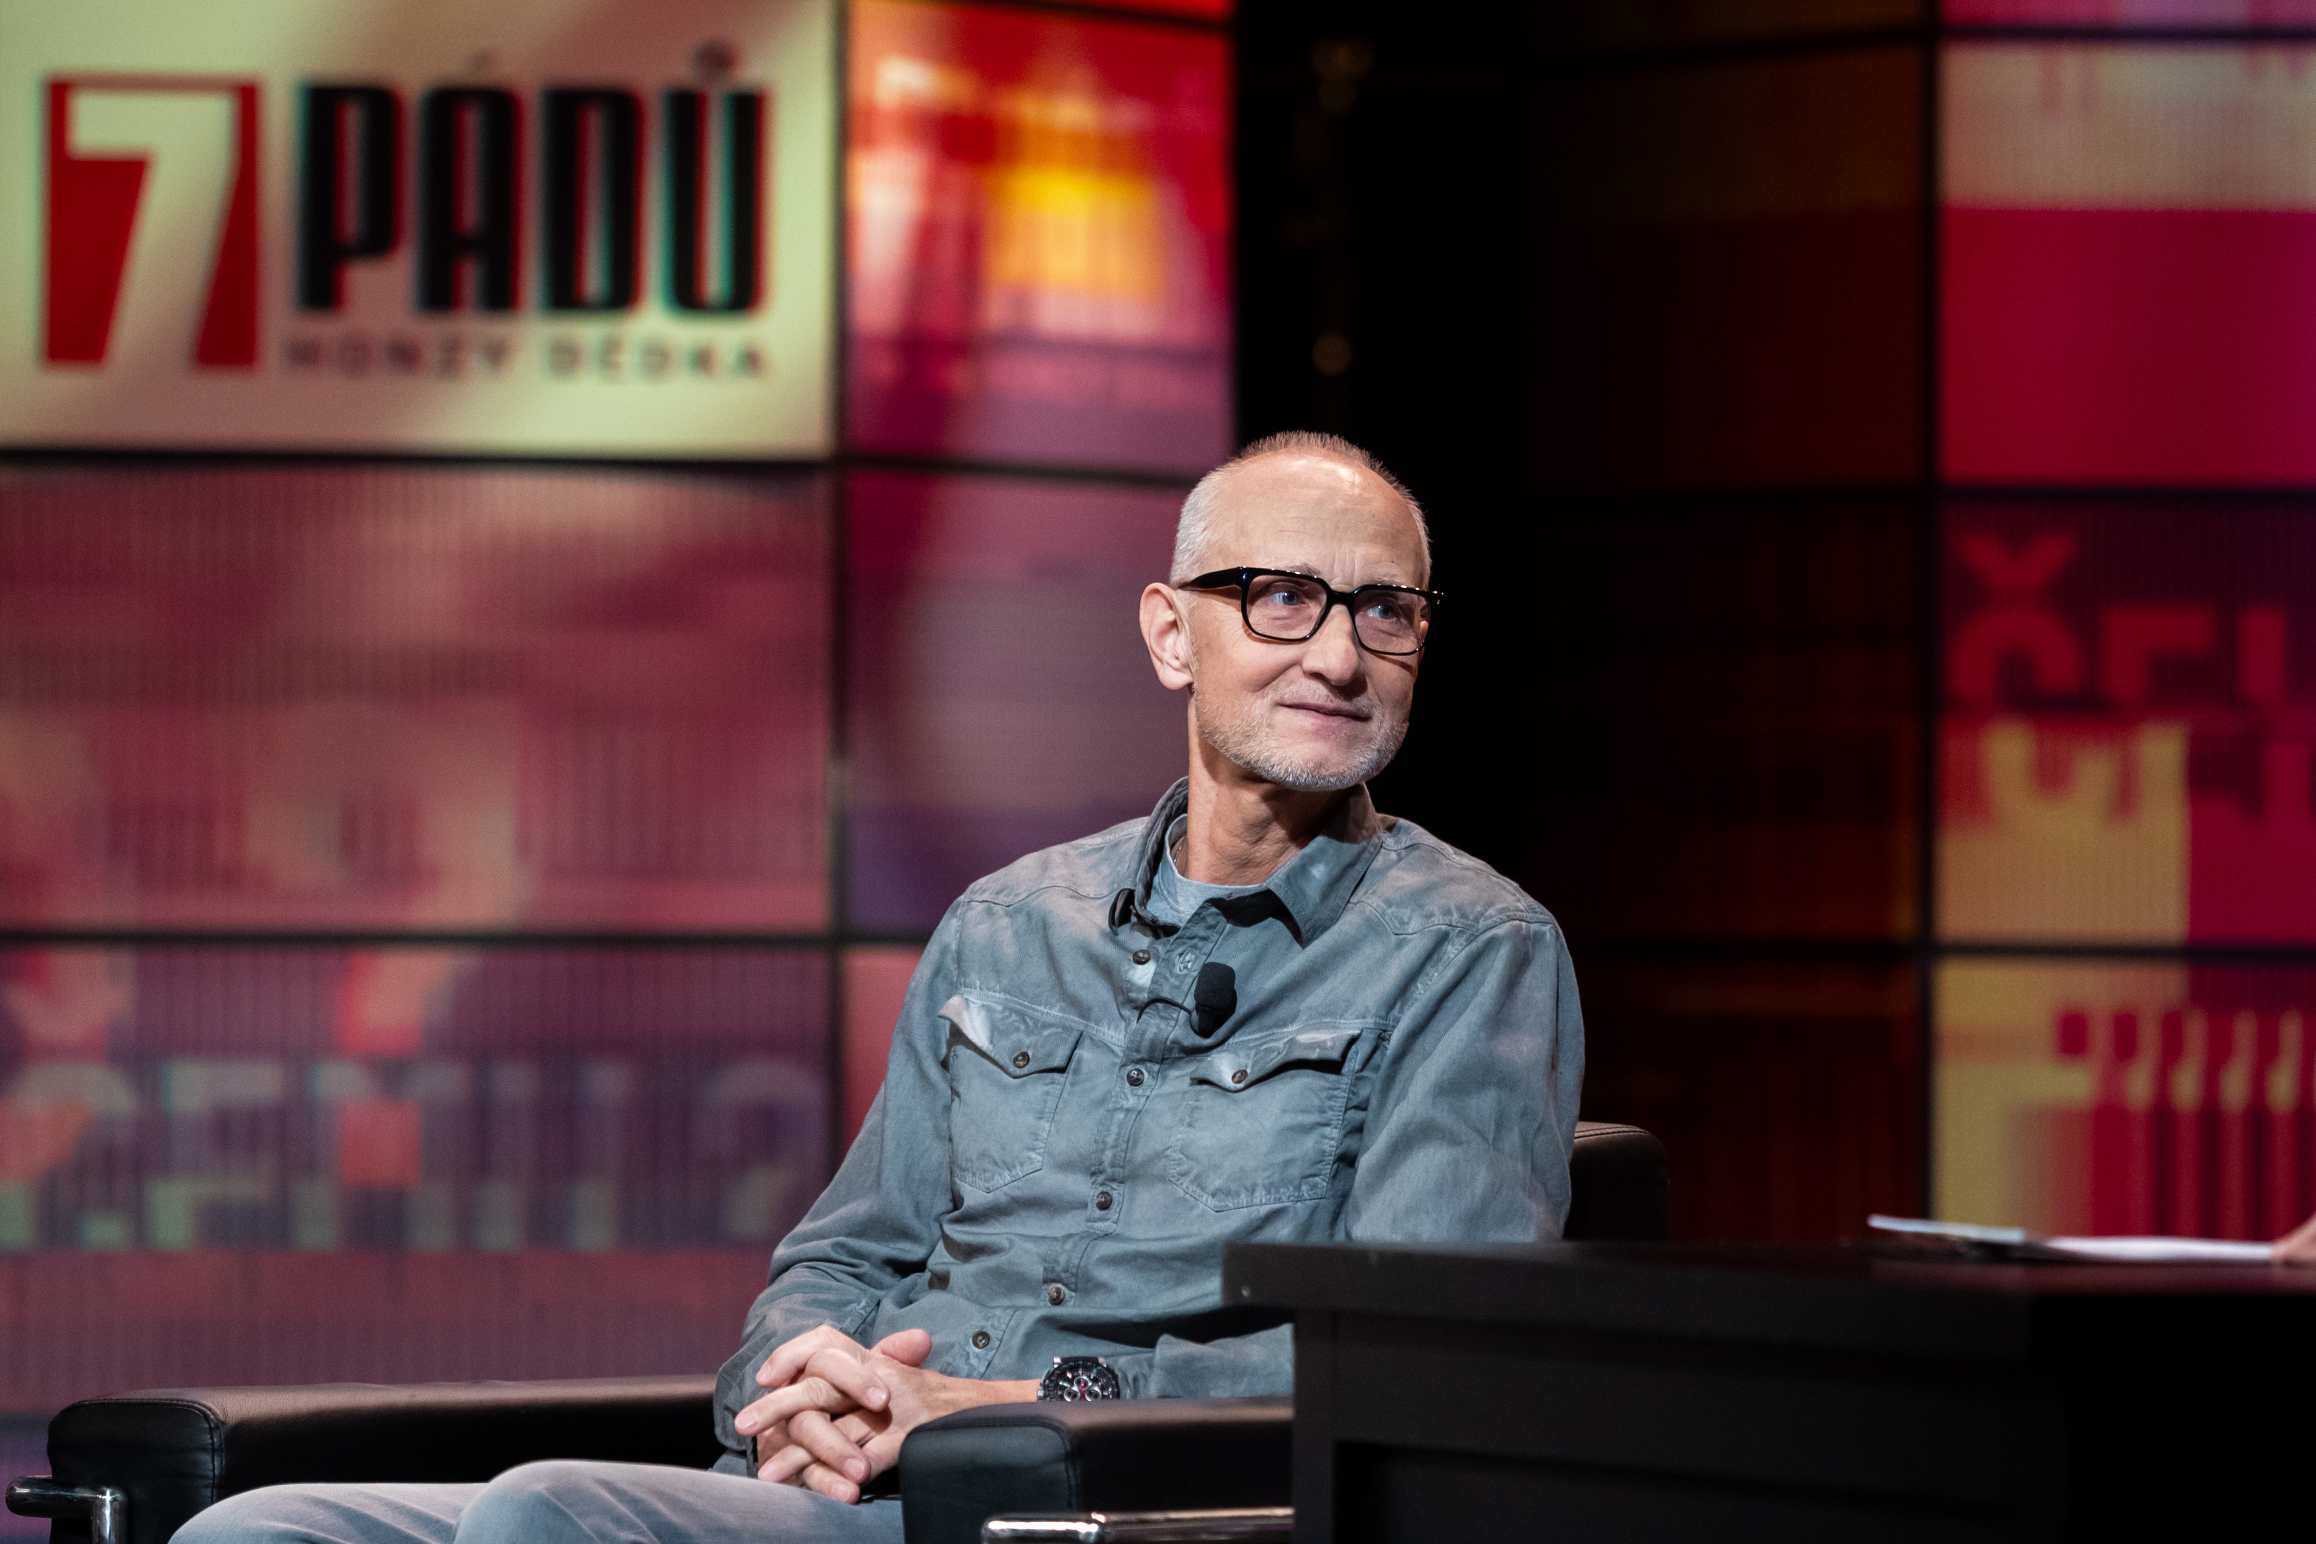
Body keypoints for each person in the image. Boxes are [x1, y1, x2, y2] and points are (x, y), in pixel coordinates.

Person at [173, 432, 1585, 1544]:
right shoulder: (1010, 924)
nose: (1338, 655)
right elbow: (844, 1260)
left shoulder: (1473, 950)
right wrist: (798, 1390)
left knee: (551, 1515)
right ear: (1171, 635)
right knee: (261, 1529)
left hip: (1096, 1508)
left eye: (1385, 612)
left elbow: (1416, 1366)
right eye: (1282, 599)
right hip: (865, 1482)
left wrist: (1001, 1406)